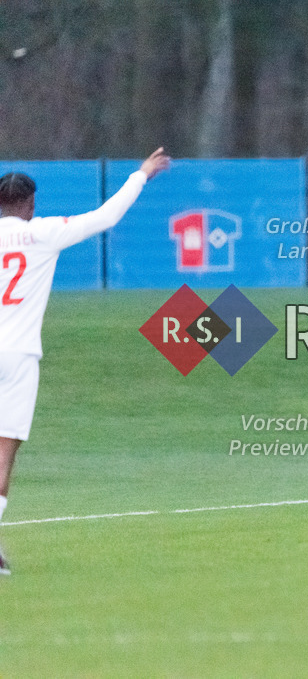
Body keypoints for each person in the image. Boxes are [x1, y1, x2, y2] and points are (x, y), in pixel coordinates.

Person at [0, 147, 171, 574]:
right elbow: (107, 216)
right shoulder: (44, 232)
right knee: (3, 453)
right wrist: (141, 175)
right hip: (18, 356)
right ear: (30, 205)